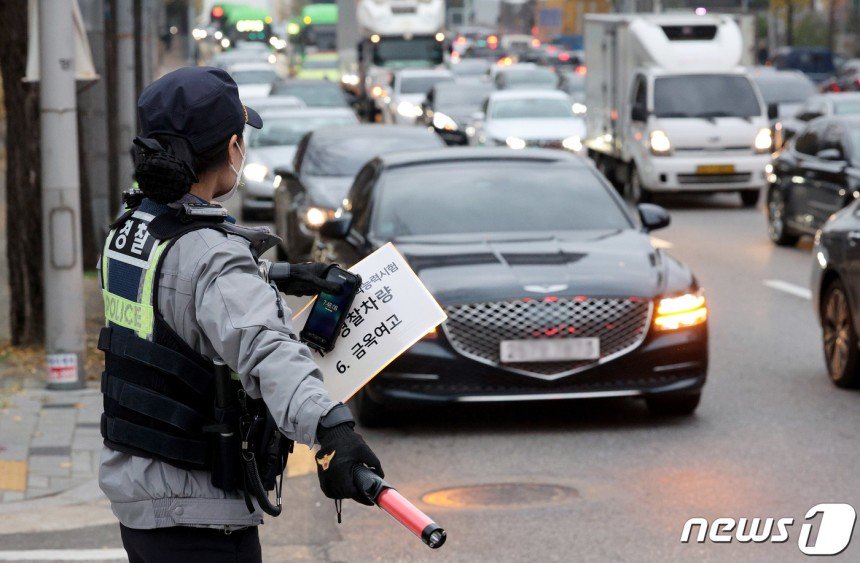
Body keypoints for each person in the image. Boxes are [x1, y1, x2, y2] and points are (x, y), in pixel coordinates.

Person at [97, 66, 383, 562]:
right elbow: (264, 348)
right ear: (232, 148)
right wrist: (332, 428)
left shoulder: (130, 231)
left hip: (143, 495)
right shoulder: (209, 253)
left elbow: (174, 300)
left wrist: (275, 277)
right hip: (199, 513)